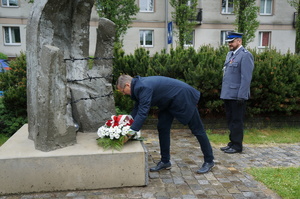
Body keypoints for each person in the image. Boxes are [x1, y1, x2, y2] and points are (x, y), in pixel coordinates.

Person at [116, 75, 214, 174]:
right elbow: (137, 108)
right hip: (168, 102)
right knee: (162, 127)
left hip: (183, 97)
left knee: (197, 130)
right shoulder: (138, 87)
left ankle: (209, 161)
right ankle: (165, 161)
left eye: (123, 91)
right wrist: (126, 122)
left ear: (127, 85)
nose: (124, 94)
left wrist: (130, 133)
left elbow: (142, 113)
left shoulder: (142, 86)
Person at [220, 32, 254, 154]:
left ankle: (237, 146)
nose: (229, 44)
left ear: (239, 41)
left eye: (232, 42)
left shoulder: (245, 56)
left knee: (237, 120)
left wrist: (242, 95)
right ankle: (232, 143)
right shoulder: (230, 54)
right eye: (228, 42)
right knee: (230, 120)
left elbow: (246, 78)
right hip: (228, 94)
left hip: (237, 95)